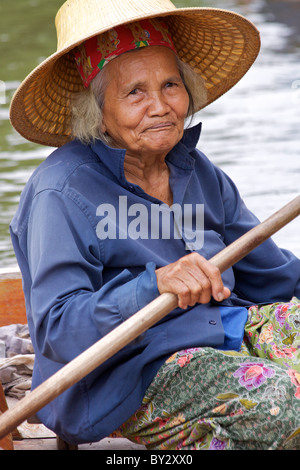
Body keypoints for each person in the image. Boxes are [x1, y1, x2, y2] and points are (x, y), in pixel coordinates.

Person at [9, 0, 300, 450]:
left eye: (170, 85)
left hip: (225, 330)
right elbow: (59, 331)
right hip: (129, 373)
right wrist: (154, 285)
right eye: (135, 93)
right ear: (96, 107)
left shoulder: (198, 172)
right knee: (285, 398)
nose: (161, 107)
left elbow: (272, 276)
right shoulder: (60, 192)